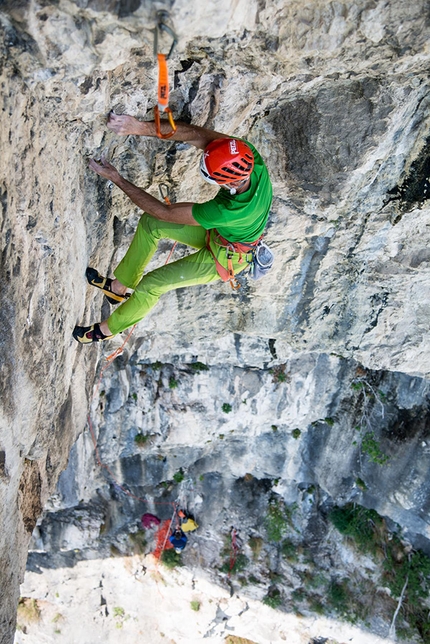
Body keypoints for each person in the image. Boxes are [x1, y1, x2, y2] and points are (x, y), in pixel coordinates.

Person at [73, 113, 273, 344]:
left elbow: (165, 212)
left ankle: (105, 331)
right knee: (151, 224)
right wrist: (139, 127)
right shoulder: (249, 157)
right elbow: (196, 135)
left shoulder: (229, 210)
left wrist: (117, 179)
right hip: (223, 235)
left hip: (228, 257)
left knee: (152, 284)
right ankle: (118, 287)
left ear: (230, 183)